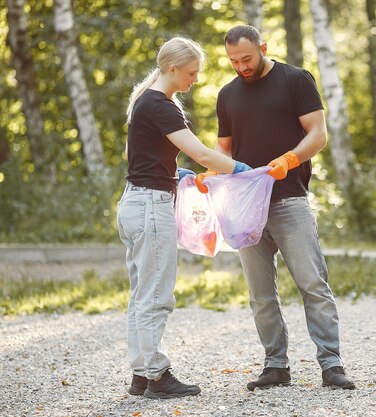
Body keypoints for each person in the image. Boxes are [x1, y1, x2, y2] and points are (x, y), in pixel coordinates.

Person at [204, 24, 355, 390]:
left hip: (289, 200)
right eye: (233, 61)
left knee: (312, 284)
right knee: (260, 294)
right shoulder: (227, 95)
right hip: (244, 207)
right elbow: (224, 151)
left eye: (247, 58)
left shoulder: (295, 80)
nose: (241, 66)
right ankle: (276, 366)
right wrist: (207, 174)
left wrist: (290, 158)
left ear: (263, 48)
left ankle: (331, 365)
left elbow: (318, 134)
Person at [117, 36, 251, 400]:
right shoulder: (161, 105)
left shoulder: (145, 102)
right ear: (172, 68)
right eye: (191, 72)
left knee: (141, 295)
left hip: (135, 202)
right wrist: (244, 170)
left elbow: (140, 156)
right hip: (150, 207)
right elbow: (201, 151)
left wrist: (176, 175)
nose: (195, 79)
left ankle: (141, 375)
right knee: (156, 296)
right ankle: (157, 375)